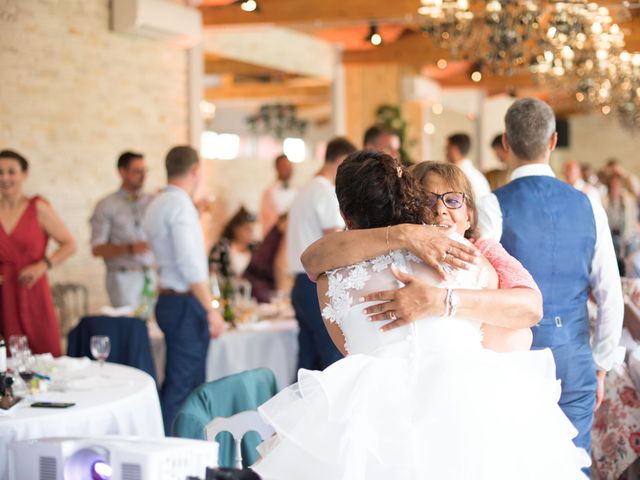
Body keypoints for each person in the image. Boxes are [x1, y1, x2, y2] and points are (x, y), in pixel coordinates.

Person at [253, 151, 589, 479]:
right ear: (411, 200)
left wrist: (441, 301)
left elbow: (348, 345)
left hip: (375, 405)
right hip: (471, 399)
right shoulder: (465, 255)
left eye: (453, 201)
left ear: (345, 214)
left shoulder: (331, 276)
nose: (441, 210)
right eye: (431, 199)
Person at [476, 98, 623, 468]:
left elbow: (480, 284)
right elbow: (610, 294)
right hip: (573, 357)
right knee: (571, 465)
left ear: (505, 144)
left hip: (513, 358)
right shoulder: (588, 205)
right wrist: (601, 364)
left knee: (513, 464)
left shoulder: (491, 206)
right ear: (554, 141)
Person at [143, 145, 224, 433]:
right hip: (185, 302)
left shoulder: (156, 203)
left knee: (181, 381)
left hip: (167, 298)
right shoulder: (180, 206)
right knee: (184, 385)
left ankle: (182, 444)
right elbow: (191, 265)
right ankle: (172, 449)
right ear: (195, 171)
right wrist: (211, 309)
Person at [287, 136, 357, 371]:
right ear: (340, 161)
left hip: (300, 282)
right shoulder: (326, 192)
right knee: (331, 361)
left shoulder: (305, 189)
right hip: (316, 281)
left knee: (307, 362)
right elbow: (335, 242)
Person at [0, 149, 76, 356]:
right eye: (0, 172)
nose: (5, 178)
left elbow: (69, 243)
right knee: (6, 362)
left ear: (24, 175)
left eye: (11, 172)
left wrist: (43, 265)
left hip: (33, 290)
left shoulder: (37, 207)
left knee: (46, 353)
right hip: (3, 295)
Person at [90, 151, 154, 308]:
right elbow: (97, 249)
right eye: (137, 171)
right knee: (129, 326)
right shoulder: (107, 204)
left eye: (145, 170)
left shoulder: (152, 201)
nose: (143, 175)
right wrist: (131, 248)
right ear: (122, 172)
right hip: (123, 276)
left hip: (152, 275)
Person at [244, 214, 288, 303]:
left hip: (258, 278)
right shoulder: (288, 225)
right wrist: (281, 294)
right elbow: (280, 264)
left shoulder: (281, 225)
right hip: (259, 282)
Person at [602, 173, 639, 275]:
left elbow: (632, 221)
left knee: (632, 246)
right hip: (610, 236)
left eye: (617, 184)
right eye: (613, 184)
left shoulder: (629, 200)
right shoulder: (604, 200)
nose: (615, 187)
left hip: (627, 236)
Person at [209, 206, 257, 279]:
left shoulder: (256, 248)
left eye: (252, 230)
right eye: (247, 229)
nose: (250, 233)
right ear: (236, 229)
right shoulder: (221, 248)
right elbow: (213, 271)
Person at [446, 133, 491, 199]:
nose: (445, 153)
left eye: (447, 148)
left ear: (454, 150)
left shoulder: (459, 175)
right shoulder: (476, 174)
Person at [260, 154, 296, 237]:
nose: (288, 169)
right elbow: (268, 219)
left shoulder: (296, 191)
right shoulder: (269, 193)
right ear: (276, 168)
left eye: (289, 166)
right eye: (284, 166)